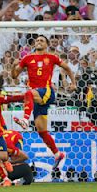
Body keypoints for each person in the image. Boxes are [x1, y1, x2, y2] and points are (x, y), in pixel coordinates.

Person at [11, 35, 77, 169]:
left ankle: (24, 119)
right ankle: (57, 153)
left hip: (46, 91)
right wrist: (13, 67)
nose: (38, 42)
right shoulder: (27, 58)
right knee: (42, 131)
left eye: (41, 40)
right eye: (37, 40)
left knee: (28, 93)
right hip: (36, 98)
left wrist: (73, 83)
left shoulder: (51, 57)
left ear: (46, 45)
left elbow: (68, 68)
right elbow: (14, 76)